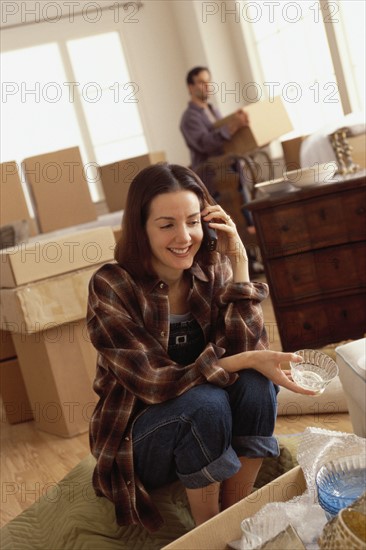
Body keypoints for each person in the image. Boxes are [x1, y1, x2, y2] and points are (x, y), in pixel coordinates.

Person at [86, 163, 314, 533]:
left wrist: (239, 261)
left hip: (209, 406)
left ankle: (236, 512)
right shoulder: (111, 285)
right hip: (141, 435)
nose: (184, 236)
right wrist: (245, 358)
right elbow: (155, 383)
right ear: (141, 230)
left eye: (193, 221)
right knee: (206, 403)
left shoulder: (211, 268)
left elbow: (246, 348)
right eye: (166, 225)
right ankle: (210, 531)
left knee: (256, 385)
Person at [180, 66, 262, 273]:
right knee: (224, 219)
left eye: (208, 80)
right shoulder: (189, 118)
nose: (207, 85)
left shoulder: (212, 110)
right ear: (190, 87)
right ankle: (238, 266)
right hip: (212, 178)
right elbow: (205, 144)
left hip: (230, 173)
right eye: (201, 81)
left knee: (242, 213)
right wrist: (232, 127)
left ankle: (249, 259)